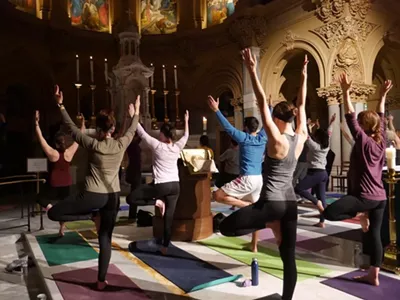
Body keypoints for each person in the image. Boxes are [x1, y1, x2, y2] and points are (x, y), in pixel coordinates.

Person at [219, 49, 308, 300]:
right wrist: (303, 76)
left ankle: (267, 222)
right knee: (288, 257)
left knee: (225, 227)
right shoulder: (300, 137)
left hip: (271, 205)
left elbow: (260, 102)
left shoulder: (277, 140)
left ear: (278, 119)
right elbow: (301, 104)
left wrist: (251, 69)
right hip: (291, 204)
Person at [39, 85, 140, 290]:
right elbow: (132, 129)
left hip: (93, 196)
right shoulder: (121, 144)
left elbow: (71, 128)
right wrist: (135, 113)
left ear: (100, 129)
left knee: (54, 212)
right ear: (112, 129)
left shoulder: (93, 144)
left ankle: (89, 216)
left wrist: (61, 105)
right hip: (113, 197)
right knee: (105, 238)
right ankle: (101, 281)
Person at [323, 75, 393, 287]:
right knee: (374, 235)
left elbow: (349, 115)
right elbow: (380, 115)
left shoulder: (363, 140)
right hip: (380, 197)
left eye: (360, 124)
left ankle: (358, 214)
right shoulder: (380, 139)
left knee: (329, 213)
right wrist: (382, 96)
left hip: (364, 197)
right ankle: (374, 274)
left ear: (363, 127)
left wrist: (345, 92)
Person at [208, 96, 268, 253]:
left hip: (247, 178)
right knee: (255, 217)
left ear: (246, 128)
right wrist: (269, 107)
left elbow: (227, 128)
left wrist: (216, 110)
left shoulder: (244, 138)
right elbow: (269, 122)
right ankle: (254, 246)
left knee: (217, 195)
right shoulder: (263, 137)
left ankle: (247, 206)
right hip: (258, 179)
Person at [126, 111, 189, 255]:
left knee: (132, 198)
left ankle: (157, 202)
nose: (158, 136)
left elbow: (141, 133)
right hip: (175, 186)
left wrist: (134, 115)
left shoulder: (158, 146)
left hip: (161, 185)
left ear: (164, 135)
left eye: (160, 133)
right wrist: (186, 121)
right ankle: (165, 247)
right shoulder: (177, 147)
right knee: (168, 218)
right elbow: (185, 136)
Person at [34, 110, 84, 236]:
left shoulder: (53, 153)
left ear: (56, 143)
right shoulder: (69, 153)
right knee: (64, 207)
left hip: (54, 183)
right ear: (64, 142)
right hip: (66, 183)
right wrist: (82, 125)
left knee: (40, 198)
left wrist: (36, 124)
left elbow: (41, 140)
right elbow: (79, 138)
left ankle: (52, 209)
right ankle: (62, 228)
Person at [294, 113, 336, 228]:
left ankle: (315, 202)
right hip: (323, 174)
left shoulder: (314, 146)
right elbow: (329, 133)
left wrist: (303, 123)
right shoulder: (326, 146)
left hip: (315, 173)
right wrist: (331, 122)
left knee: (298, 188)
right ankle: (322, 222)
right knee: (322, 197)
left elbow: (306, 136)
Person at [125, 132, 142, 220]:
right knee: (134, 194)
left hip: (134, 171)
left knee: (134, 193)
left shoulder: (132, 144)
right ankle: (132, 214)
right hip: (134, 171)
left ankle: (132, 214)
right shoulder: (133, 145)